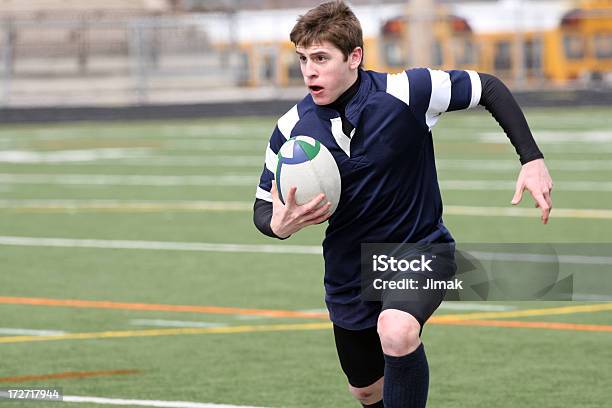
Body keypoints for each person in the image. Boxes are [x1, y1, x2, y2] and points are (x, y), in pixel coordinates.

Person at [253, 1, 553, 407]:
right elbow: (262, 209)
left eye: (321, 58)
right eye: (303, 58)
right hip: (350, 269)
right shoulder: (290, 129)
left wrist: (531, 159)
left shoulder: (407, 92)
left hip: (421, 248)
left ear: (354, 57)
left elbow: (489, 87)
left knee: (396, 331)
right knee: (365, 390)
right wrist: (279, 225)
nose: (309, 70)